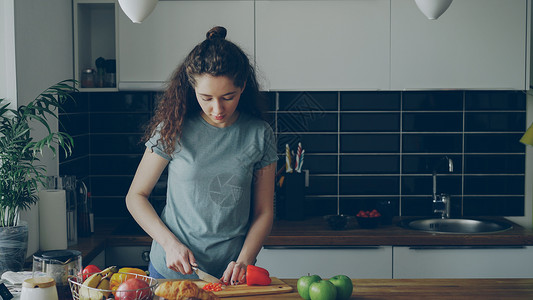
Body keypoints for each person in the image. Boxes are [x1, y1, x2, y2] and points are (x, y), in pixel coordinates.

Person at [125, 26, 277, 285]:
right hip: (170, 272)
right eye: (206, 97)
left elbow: (264, 211)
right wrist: (169, 244)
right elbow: (135, 197)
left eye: (228, 97)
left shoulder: (259, 134)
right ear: (192, 88)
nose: (217, 109)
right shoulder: (173, 128)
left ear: (242, 87)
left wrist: (245, 260)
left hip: (231, 276)